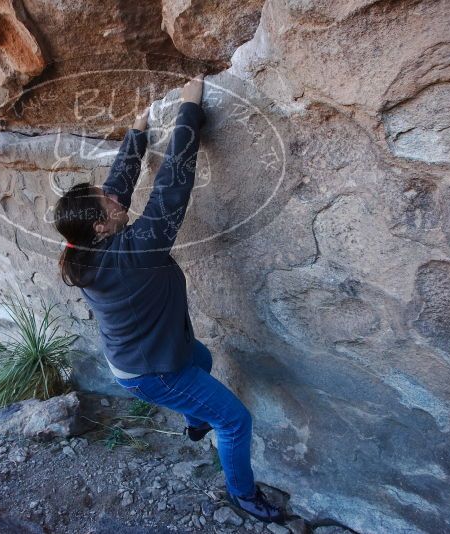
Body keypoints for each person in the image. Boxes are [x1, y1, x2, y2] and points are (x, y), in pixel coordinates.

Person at [52, 75, 286, 524]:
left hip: (149, 355)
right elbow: (172, 186)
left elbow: (118, 185)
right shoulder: (134, 252)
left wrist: (136, 133)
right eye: (107, 202)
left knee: (202, 357)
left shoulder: (87, 246)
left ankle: (195, 418)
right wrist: (189, 110)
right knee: (234, 421)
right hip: (152, 371)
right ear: (101, 225)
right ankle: (243, 494)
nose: (114, 197)